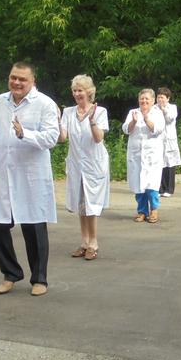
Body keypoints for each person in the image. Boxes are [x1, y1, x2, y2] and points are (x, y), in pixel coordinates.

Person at [0, 62, 59, 297]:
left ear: (33, 81)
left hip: (31, 176)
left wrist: (23, 133)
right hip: (4, 173)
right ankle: (10, 273)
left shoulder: (44, 104)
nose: (16, 83)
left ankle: (39, 279)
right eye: (13, 78)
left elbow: (51, 138)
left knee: (34, 226)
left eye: (22, 79)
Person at [59, 75, 109, 261]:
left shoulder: (99, 111)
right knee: (81, 204)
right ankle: (84, 242)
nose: (77, 93)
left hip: (94, 163)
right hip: (76, 163)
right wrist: (56, 122)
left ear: (89, 91)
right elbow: (62, 138)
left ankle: (94, 243)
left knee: (92, 204)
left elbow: (98, 138)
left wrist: (92, 120)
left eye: (80, 90)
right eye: (74, 90)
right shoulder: (69, 112)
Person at [122, 89, 164, 223]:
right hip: (136, 156)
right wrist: (134, 122)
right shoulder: (133, 112)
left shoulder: (157, 113)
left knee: (151, 185)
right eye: (142, 99)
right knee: (139, 185)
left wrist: (146, 119)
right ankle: (142, 211)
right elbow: (126, 129)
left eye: (147, 99)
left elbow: (158, 130)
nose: (144, 101)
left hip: (152, 155)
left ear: (152, 101)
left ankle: (154, 210)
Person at [156, 87, 181, 198]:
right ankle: (160, 188)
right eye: (158, 97)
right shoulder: (154, 108)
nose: (160, 99)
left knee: (170, 165)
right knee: (159, 164)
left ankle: (169, 189)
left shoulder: (172, 108)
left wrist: (163, 110)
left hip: (169, 140)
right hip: (158, 140)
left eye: (162, 97)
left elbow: (170, 119)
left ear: (168, 98)